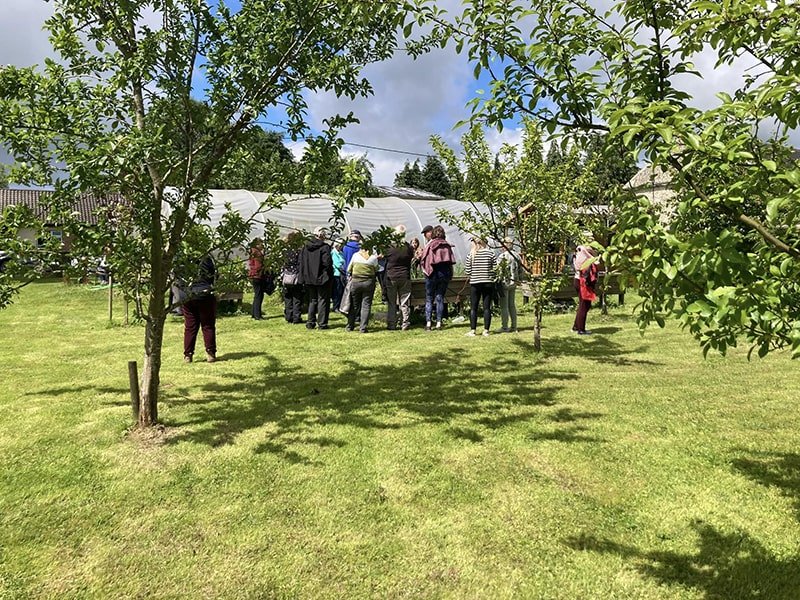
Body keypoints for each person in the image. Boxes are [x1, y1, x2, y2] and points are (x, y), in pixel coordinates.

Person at [181, 254, 217, 363]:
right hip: (204, 293)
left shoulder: (184, 258)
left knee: (190, 326)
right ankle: (210, 352)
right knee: (207, 325)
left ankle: (188, 354)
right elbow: (213, 275)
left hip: (188, 294)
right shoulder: (206, 258)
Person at [419, 225, 455, 331]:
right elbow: (450, 262)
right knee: (440, 298)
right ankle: (439, 323)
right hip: (444, 274)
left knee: (429, 298)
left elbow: (424, 260)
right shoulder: (447, 245)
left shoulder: (430, 245)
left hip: (432, 274)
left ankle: (429, 323)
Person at [300, 226, 333, 330]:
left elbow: (302, 262)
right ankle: (322, 323)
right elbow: (327, 263)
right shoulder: (324, 247)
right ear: (322, 236)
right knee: (322, 300)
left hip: (309, 277)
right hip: (322, 278)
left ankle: (310, 322)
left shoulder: (305, 247)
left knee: (312, 300)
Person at [464, 238, 497, 337]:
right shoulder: (490, 254)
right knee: (487, 307)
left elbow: (468, 271)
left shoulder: (471, 254)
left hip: (475, 283)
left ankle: (473, 330)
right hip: (488, 282)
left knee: (474, 308)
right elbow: (495, 268)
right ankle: (486, 330)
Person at [384, 224, 414, 330]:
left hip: (391, 276)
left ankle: (392, 324)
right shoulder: (408, 248)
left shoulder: (389, 247)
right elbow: (411, 258)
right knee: (404, 302)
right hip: (404, 276)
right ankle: (405, 322)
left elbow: (383, 257)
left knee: (392, 302)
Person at [346, 244, 379, 333]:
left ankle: (350, 326)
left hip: (356, 282)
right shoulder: (373, 258)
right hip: (368, 282)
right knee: (366, 305)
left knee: (354, 304)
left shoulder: (355, 256)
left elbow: (349, 269)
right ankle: (363, 327)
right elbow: (377, 269)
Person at [572, 244, 598, 335]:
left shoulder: (577, 255)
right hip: (583, 283)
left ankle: (576, 326)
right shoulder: (585, 259)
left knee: (582, 305)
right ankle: (581, 329)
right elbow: (588, 275)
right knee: (584, 306)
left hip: (577, 281)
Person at [281, 231, 305, 324]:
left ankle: (288, 316)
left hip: (286, 276)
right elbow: (300, 263)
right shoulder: (299, 250)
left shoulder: (285, 250)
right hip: (296, 276)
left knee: (288, 296)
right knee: (297, 297)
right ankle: (296, 317)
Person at [497, 237, 520, 332]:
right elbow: (520, 270)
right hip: (513, 282)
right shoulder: (517, 255)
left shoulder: (502, 256)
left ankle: (505, 326)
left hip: (504, 282)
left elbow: (498, 270)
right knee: (512, 305)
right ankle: (514, 326)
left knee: (504, 306)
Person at [248, 238, 268, 320]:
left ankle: (254, 313)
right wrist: (264, 266)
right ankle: (257, 315)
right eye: (261, 244)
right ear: (257, 245)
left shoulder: (252, 252)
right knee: (259, 295)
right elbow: (258, 266)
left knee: (257, 295)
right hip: (257, 275)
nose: (262, 245)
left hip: (253, 275)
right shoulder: (257, 254)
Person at [331, 237, 346, 311]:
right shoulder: (334, 253)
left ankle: (340, 305)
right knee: (337, 291)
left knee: (341, 291)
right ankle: (335, 306)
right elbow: (337, 264)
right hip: (336, 274)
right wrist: (344, 268)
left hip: (341, 274)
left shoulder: (340, 253)